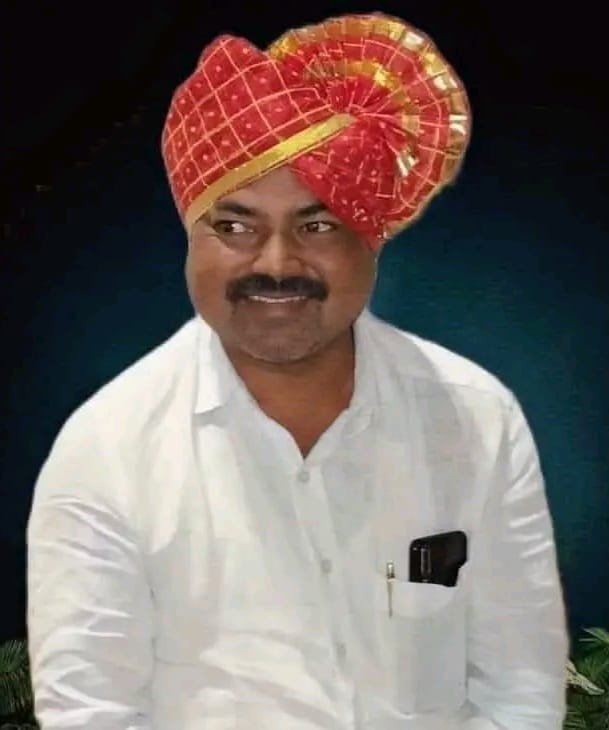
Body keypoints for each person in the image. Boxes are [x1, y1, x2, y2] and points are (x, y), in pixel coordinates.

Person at [27, 12, 569, 730]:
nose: (276, 262)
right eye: (233, 226)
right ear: (188, 241)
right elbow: (89, 714)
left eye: (318, 226)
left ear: (371, 242)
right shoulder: (107, 447)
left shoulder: (474, 416)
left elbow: (520, 688)